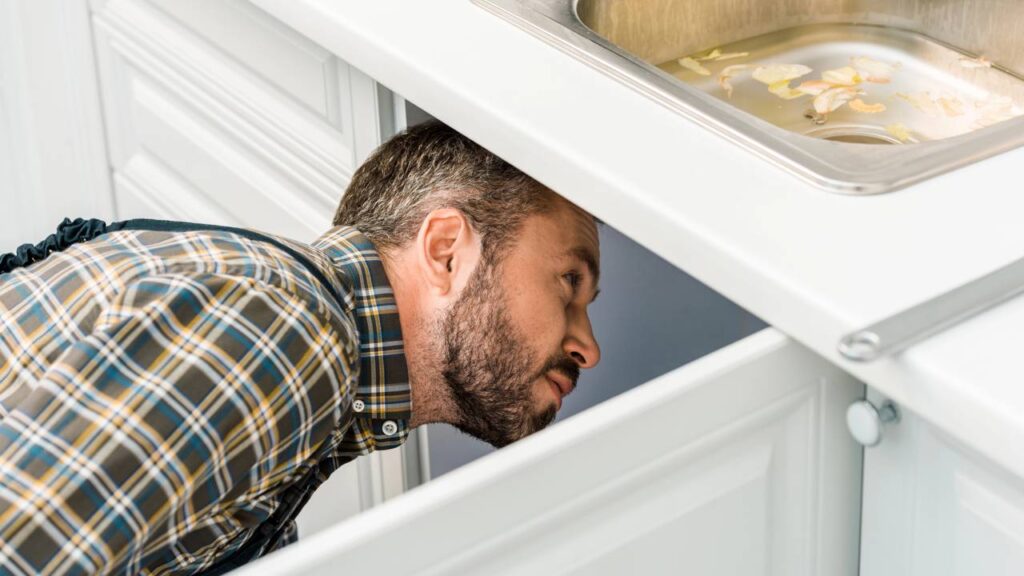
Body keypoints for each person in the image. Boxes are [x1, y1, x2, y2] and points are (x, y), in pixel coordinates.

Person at [0, 121, 601, 575]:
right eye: (570, 283)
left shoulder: (286, 320)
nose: (588, 347)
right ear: (447, 250)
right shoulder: (285, 332)